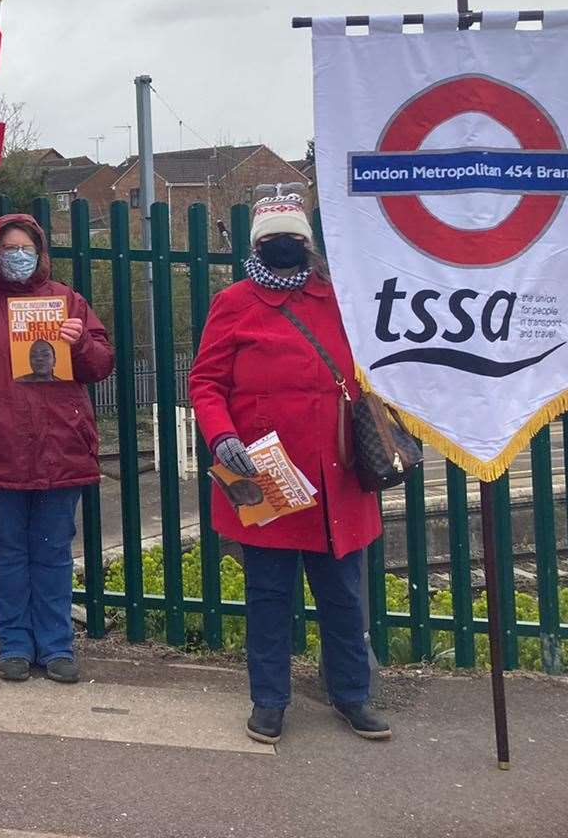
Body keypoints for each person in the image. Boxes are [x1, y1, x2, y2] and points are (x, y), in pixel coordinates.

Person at [188, 194, 389, 744]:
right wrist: (222, 435)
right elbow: (206, 382)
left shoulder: (340, 298)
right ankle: (269, 700)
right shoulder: (233, 303)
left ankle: (352, 695)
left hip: (335, 476)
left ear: (309, 244)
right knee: (269, 598)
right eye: (276, 238)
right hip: (266, 474)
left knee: (343, 598)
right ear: (257, 246)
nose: (286, 247)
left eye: (296, 238)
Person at [0, 214, 113, 683]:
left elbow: (102, 363)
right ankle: (13, 643)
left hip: (59, 448)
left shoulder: (67, 300)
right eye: (7, 247)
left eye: (24, 247)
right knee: (7, 553)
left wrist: (81, 344)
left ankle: (55, 645)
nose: (17, 255)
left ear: (40, 251)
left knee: (52, 553)